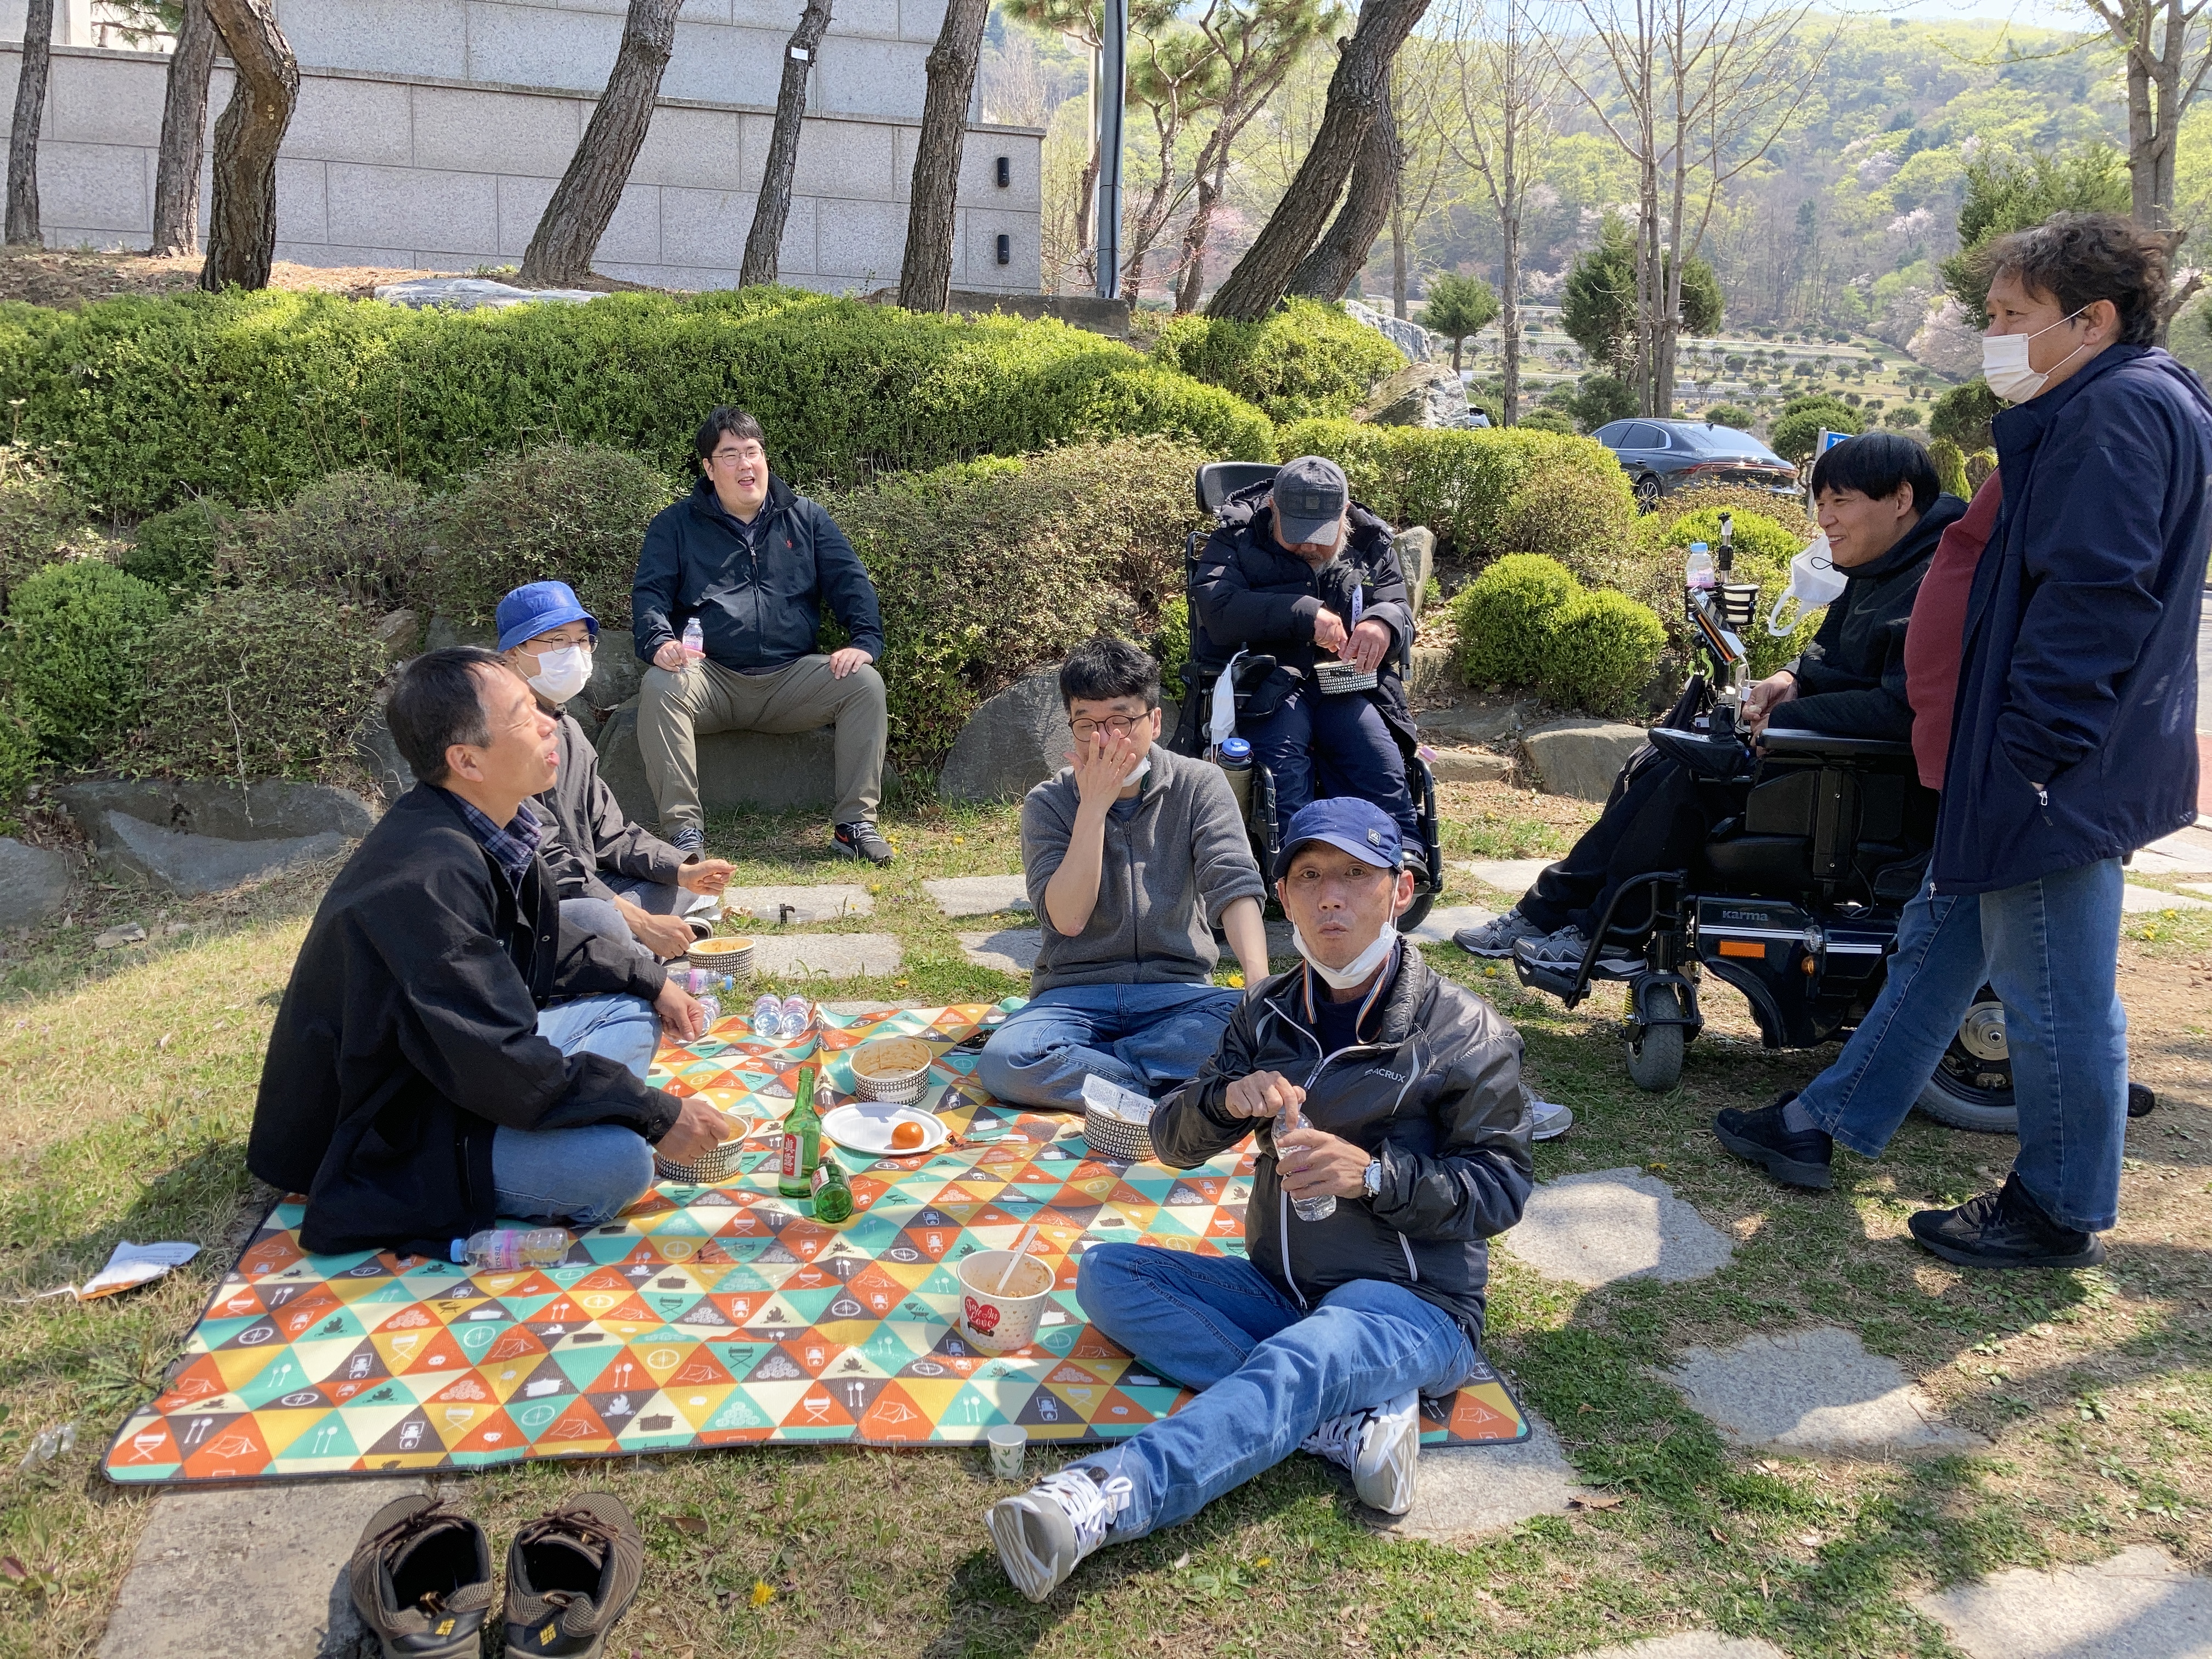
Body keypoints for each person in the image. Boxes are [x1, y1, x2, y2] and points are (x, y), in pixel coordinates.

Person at [1712, 212, 2208, 1268]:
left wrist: (2027, 758)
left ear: (2092, 319)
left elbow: (2093, 604)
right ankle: (1825, 1119)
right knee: (1938, 942)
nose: (1990, 332)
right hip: (2015, 761)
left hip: (2045, 771)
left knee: (2055, 998)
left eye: (2009, 316)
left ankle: (2054, 1206)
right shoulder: (2107, 400)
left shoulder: (2115, 413)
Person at [986, 798, 1533, 1602]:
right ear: (1284, 898)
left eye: (1355, 875)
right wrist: (1224, 1102)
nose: (1331, 897)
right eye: (1309, 877)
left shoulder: (1467, 1034)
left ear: (1402, 889)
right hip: (1283, 1288)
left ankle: (1103, 1498)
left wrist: (1373, 1176)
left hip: (1416, 1306)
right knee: (1106, 1274)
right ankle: (1336, 1426)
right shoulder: (1266, 1009)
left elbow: (1502, 1187)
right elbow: (1169, 1138)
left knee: (1309, 1353)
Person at [247, 647, 732, 1257]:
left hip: (457, 1068)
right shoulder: (425, 879)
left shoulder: (490, 823)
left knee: (631, 1008)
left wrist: (652, 980)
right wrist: (654, 1114)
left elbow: (548, 942)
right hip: (396, 1122)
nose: (548, 723)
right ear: (467, 760)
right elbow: (501, 1061)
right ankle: (549, 1138)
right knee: (620, 1166)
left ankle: (560, 1118)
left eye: (537, 707)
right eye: (523, 715)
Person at [1456, 432, 1965, 969]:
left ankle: (1611, 934)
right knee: (1666, 757)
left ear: (1902, 500)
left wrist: (1784, 720)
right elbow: (1827, 660)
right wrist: (1787, 681)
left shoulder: (1934, 580)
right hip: (1819, 760)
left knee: (1688, 779)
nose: (1825, 521)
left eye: (1841, 502)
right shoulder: (1880, 565)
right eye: (1820, 504)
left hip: (1867, 794)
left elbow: (1902, 710)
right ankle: (1550, 911)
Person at [974, 636, 1272, 1113]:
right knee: (1008, 1060)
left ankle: (1109, 1080)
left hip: (1179, 995)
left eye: (1120, 721)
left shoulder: (1200, 784)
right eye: (1086, 725)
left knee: (1254, 1032)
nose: (1104, 740)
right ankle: (1164, 1086)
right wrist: (1093, 808)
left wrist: (1258, 985)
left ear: (1153, 722)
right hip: (1072, 999)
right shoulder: (1048, 803)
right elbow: (1068, 921)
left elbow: (1233, 883)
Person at [631, 406, 893, 865]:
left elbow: (852, 583)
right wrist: (659, 643)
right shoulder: (674, 526)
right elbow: (649, 595)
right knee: (659, 686)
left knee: (864, 685)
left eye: (752, 452)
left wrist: (864, 643)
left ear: (765, 458)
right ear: (709, 469)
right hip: (708, 677)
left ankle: (855, 824)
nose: (745, 465)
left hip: (792, 679)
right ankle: (684, 833)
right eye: (730, 455)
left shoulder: (807, 518)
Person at [1191, 455, 1423, 856]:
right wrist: (1302, 613)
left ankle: (1399, 853)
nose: (1309, 545)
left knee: (1374, 752)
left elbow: (1396, 602)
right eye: (1296, 532)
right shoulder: (1237, 535)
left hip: (1346, 682)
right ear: (1272, 508)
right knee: (1281, 761)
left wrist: (1382, 623)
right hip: (1269, 680)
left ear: (1344, 512)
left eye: (1321, 533)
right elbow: (1217, 608)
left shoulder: (1369, 539)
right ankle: (1299, 861)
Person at [496, 580, 736, 965]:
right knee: (601, 919)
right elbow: (544, 863)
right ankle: (632, 949)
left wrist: (682, 870)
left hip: (587, 887)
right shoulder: (501, 736)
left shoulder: (568, 728)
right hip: (532, 902)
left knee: (683, 888)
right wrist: (638, 920)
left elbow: (611, 835)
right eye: (558, 641)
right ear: (512, 654)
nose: (574, 653)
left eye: (582, 641)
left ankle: (634, 944)